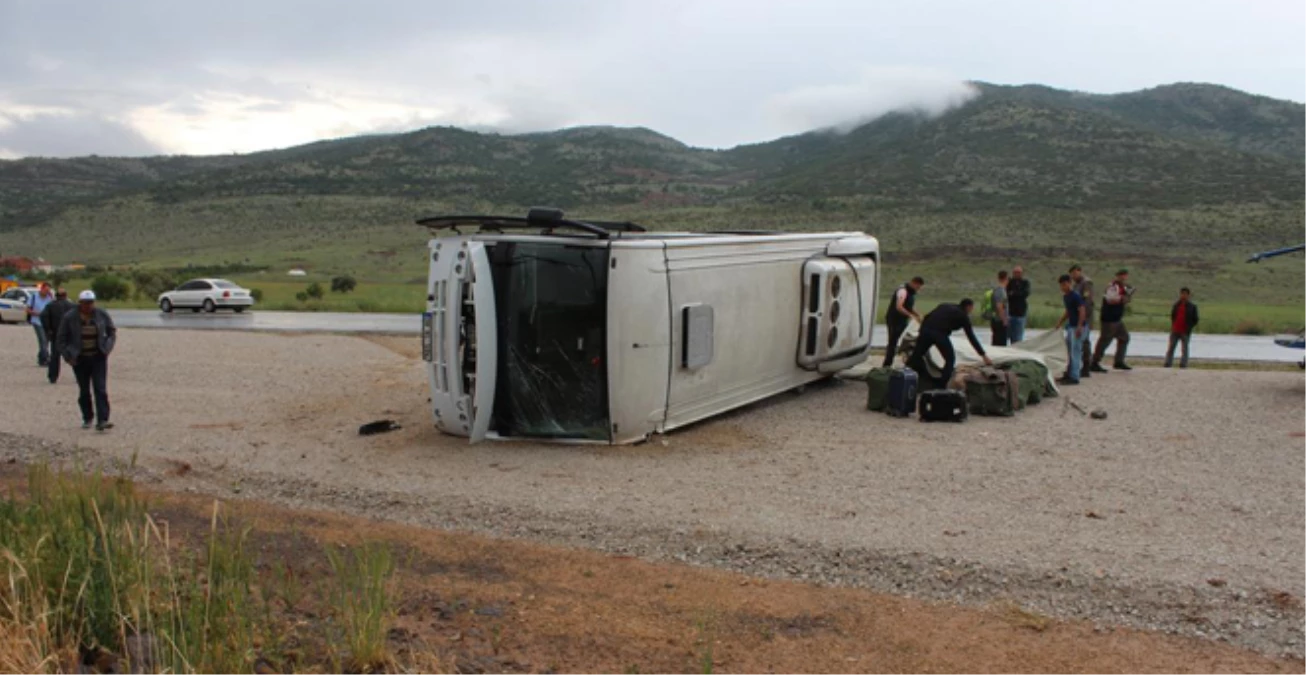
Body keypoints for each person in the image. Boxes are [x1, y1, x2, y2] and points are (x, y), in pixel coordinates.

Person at [56, 290, 117, 431]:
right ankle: (87, 417)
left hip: (98, 357)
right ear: (80, 303)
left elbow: (111, 332)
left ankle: (102, 420)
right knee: (84, 390)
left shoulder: (101, 314)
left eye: (91, 302)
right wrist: (68, 356)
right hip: (79, 359)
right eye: (86, 303)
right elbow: (61, 339)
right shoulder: (69, 317)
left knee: (100, 388)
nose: (89, 306)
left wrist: (107, 347)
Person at [906, 299, 993, 389]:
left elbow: (927, 316)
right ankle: (941, 387)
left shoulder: (944, 305)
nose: (971, 311)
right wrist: (983, 355)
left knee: (917, 355)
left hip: (926, 329)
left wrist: (921, 332)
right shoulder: (963, 316)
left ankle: (905, 375)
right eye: (971, 308)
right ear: (968, 307)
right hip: (939, 333)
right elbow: (971, 337)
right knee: (950, 359)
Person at [1091, 269, 1133, 372]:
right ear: (1117, 276)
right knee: (1105, 340)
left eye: (1124, 276)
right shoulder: (1113, 287)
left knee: (1124, 338)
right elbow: (1111, 300)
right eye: (1121, 276)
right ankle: (1094, 362)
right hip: (1109, 318)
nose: (1123, 278)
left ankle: (1119, 361)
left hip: (1117, 318)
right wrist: (1123, 298)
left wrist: (1127, 296)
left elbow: (1124, 301)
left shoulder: (1123, 288)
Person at [882, 276, 925, 366]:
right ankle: (887, 364)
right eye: (917, 287)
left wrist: (917, 314)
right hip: (894, 319)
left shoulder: (911, 293)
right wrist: (910, 315)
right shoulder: (903, 291)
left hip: (902, 320)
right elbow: (899, 306)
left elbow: (909, 306)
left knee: (898, 340)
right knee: (892, 342)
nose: (918, 290)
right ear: (914, 283)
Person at [1054, 274, 1088, 385]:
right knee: (1068, 350)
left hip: (1078, 327)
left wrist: (1080, 326)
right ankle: (1068, 373)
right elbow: (1068, 311)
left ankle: (1075, 376)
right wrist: (1060, 322)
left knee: (1075, 351)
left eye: (1065, 284)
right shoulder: (1066, 297)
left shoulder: (1075, 296)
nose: (1063, 287)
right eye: (1061, 285)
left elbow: (1082, 310)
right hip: (1070, 326)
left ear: (1070, 283)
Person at [38, 287, 76, 384]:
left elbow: (43, 316)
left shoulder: (50, 305)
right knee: (73, 355)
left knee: (55, 356)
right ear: (65, 295)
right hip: (70, 334)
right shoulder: (72, 306)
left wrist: (48, 329)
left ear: (56, 296)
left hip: (56, 334)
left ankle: (53, 377)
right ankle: (79, 375)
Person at [1068, 265, 1094, 379]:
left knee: (1084, 342)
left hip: (1085, 316)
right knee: (1075, 342)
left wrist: (1083, 318)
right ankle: (1076, 367)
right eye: (1072, 274)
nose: (1073, 276)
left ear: (1079, 271)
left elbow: (1087, 302)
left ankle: (1086, 367)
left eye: (1075, 273)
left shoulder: (1086, 283)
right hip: (1076, 317)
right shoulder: (1076, 285)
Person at [1165, 287, 1199, 368]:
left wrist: (1189, 327)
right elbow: (1173, 316)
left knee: (1185, 349)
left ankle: (1183, 364)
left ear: (1188, 295)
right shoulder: (1176, 305)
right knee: (1171, 347)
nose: (1183, 296)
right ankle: (1168, 363)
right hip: (1175, 330)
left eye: (1185, 294)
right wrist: (1174, 325)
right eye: (1182, 294)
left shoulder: (1192, 307)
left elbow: (1195, 319)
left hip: (1185, 331)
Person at [26, 283, 54, 367]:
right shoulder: (34, 297)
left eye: (48, 290)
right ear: (41, 289)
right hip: (37, 321)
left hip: (47, 323)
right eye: (45, 290)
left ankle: (41, 358)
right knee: (43, 339)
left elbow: (52, 308)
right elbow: (27, 309)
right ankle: (46, 358)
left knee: (46, 341)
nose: (47, 292)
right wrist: (37, 313)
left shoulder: (50, 298)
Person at [1007, 266, 1031, 343]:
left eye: (1019, 272)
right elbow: (1007, 294)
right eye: (1015, 272)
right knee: (1007, 336)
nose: (1017, 274)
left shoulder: (1025, 283)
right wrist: (1016, 293)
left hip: (1021, 313)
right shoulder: (1009, 282)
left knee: (1018, 337)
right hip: (1010, 313)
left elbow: (1025, 293)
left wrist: (1014, 293)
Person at [988, 270, 1010, 347]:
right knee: (1000, 343)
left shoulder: (1000, 290)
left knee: (998, 341)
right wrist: (1004, 320)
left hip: (997, 320)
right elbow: (999, 306)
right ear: (1006, 279)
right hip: (999, 321)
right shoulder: (1000, 291)